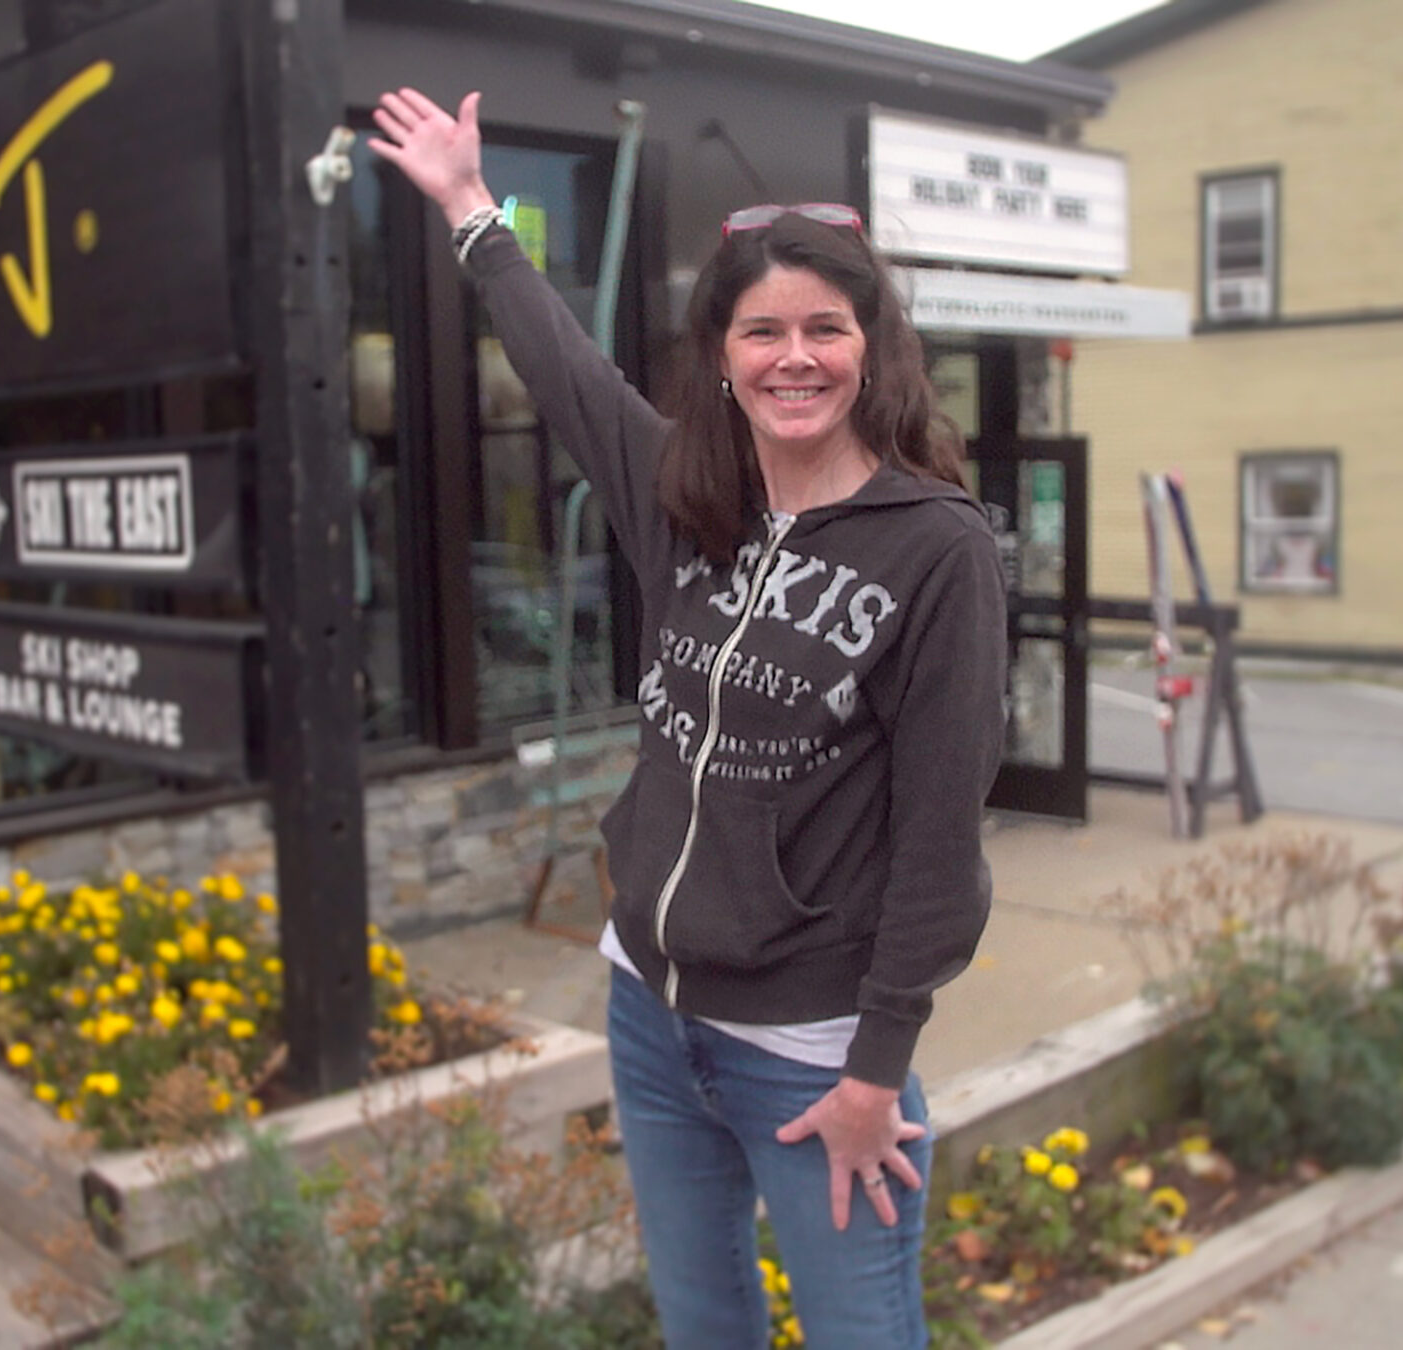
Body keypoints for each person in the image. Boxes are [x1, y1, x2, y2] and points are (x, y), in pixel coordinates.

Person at [371, 87, 1007, 1348]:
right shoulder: (687, 502)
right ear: (722, 353)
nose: (795, 356)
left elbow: (940, 840)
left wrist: (877, 1070)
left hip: (813, 1051)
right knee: (701, 1325)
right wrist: (466, 204)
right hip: (650, 1017)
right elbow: (559, 366)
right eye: (762, 330)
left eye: (827, 327)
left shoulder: (937, 551)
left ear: (872, 347)